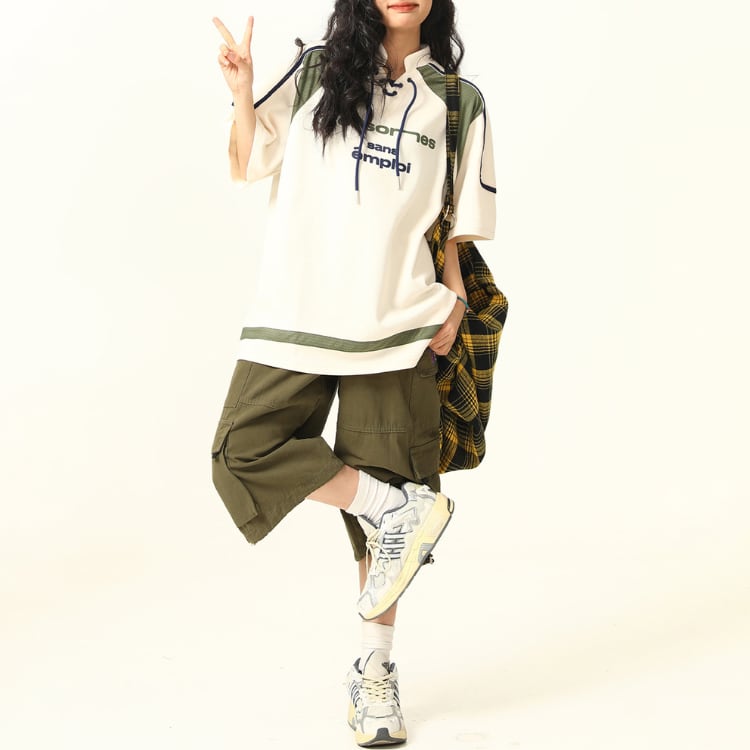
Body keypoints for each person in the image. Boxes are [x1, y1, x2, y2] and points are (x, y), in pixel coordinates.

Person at [211, 1, 496, 745]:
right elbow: (248, 161)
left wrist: (455, 300)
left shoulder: (459, 103)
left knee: (376, 539)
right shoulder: (316, 73)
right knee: (242, 450)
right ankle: (394, 506)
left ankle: (376, 675)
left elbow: (453, 226)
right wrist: (241, 92)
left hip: (399, 324)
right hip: (295, 313)